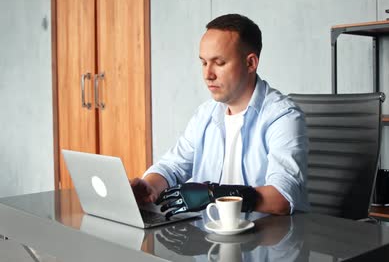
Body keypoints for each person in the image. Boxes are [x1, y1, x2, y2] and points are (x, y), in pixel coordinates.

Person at [130, 13, 309, 217]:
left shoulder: (283, 117)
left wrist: (214, 195)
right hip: (213, 239)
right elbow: (173, 166)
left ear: (250, 63)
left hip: (269, 240)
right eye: (204, 63)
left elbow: (282, 198)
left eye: (219, 63)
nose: (208, 75)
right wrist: (149, 187)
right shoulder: (205, 114)